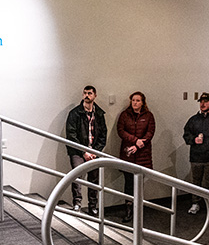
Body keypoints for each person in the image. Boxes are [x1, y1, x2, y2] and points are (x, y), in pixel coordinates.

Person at [65, 85, 107, 214]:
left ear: (95, 95)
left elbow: (103, 135)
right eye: (84, 93)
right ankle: (77, 203)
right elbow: (71, 135)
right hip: (78, 151)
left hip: (93, 152)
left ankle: (92, 206)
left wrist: (95, 151)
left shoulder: (99, 114)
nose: (87, 95)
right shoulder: (75, 113)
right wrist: (84, 152)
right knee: (77, 175)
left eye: (89, 93)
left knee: (94, 179)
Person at [116, 91, 155, 223]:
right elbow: (120, 130)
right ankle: (128, 209)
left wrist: (138, 145)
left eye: (138, 100)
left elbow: (150, 133)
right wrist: (134, 140)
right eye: (133, 100)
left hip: (142, 154)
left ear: (143, 102)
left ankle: (138, 208)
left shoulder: (149, 116)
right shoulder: (124, 115)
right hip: (128, 153)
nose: (135, 103)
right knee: (128, 183)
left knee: (139, 183)